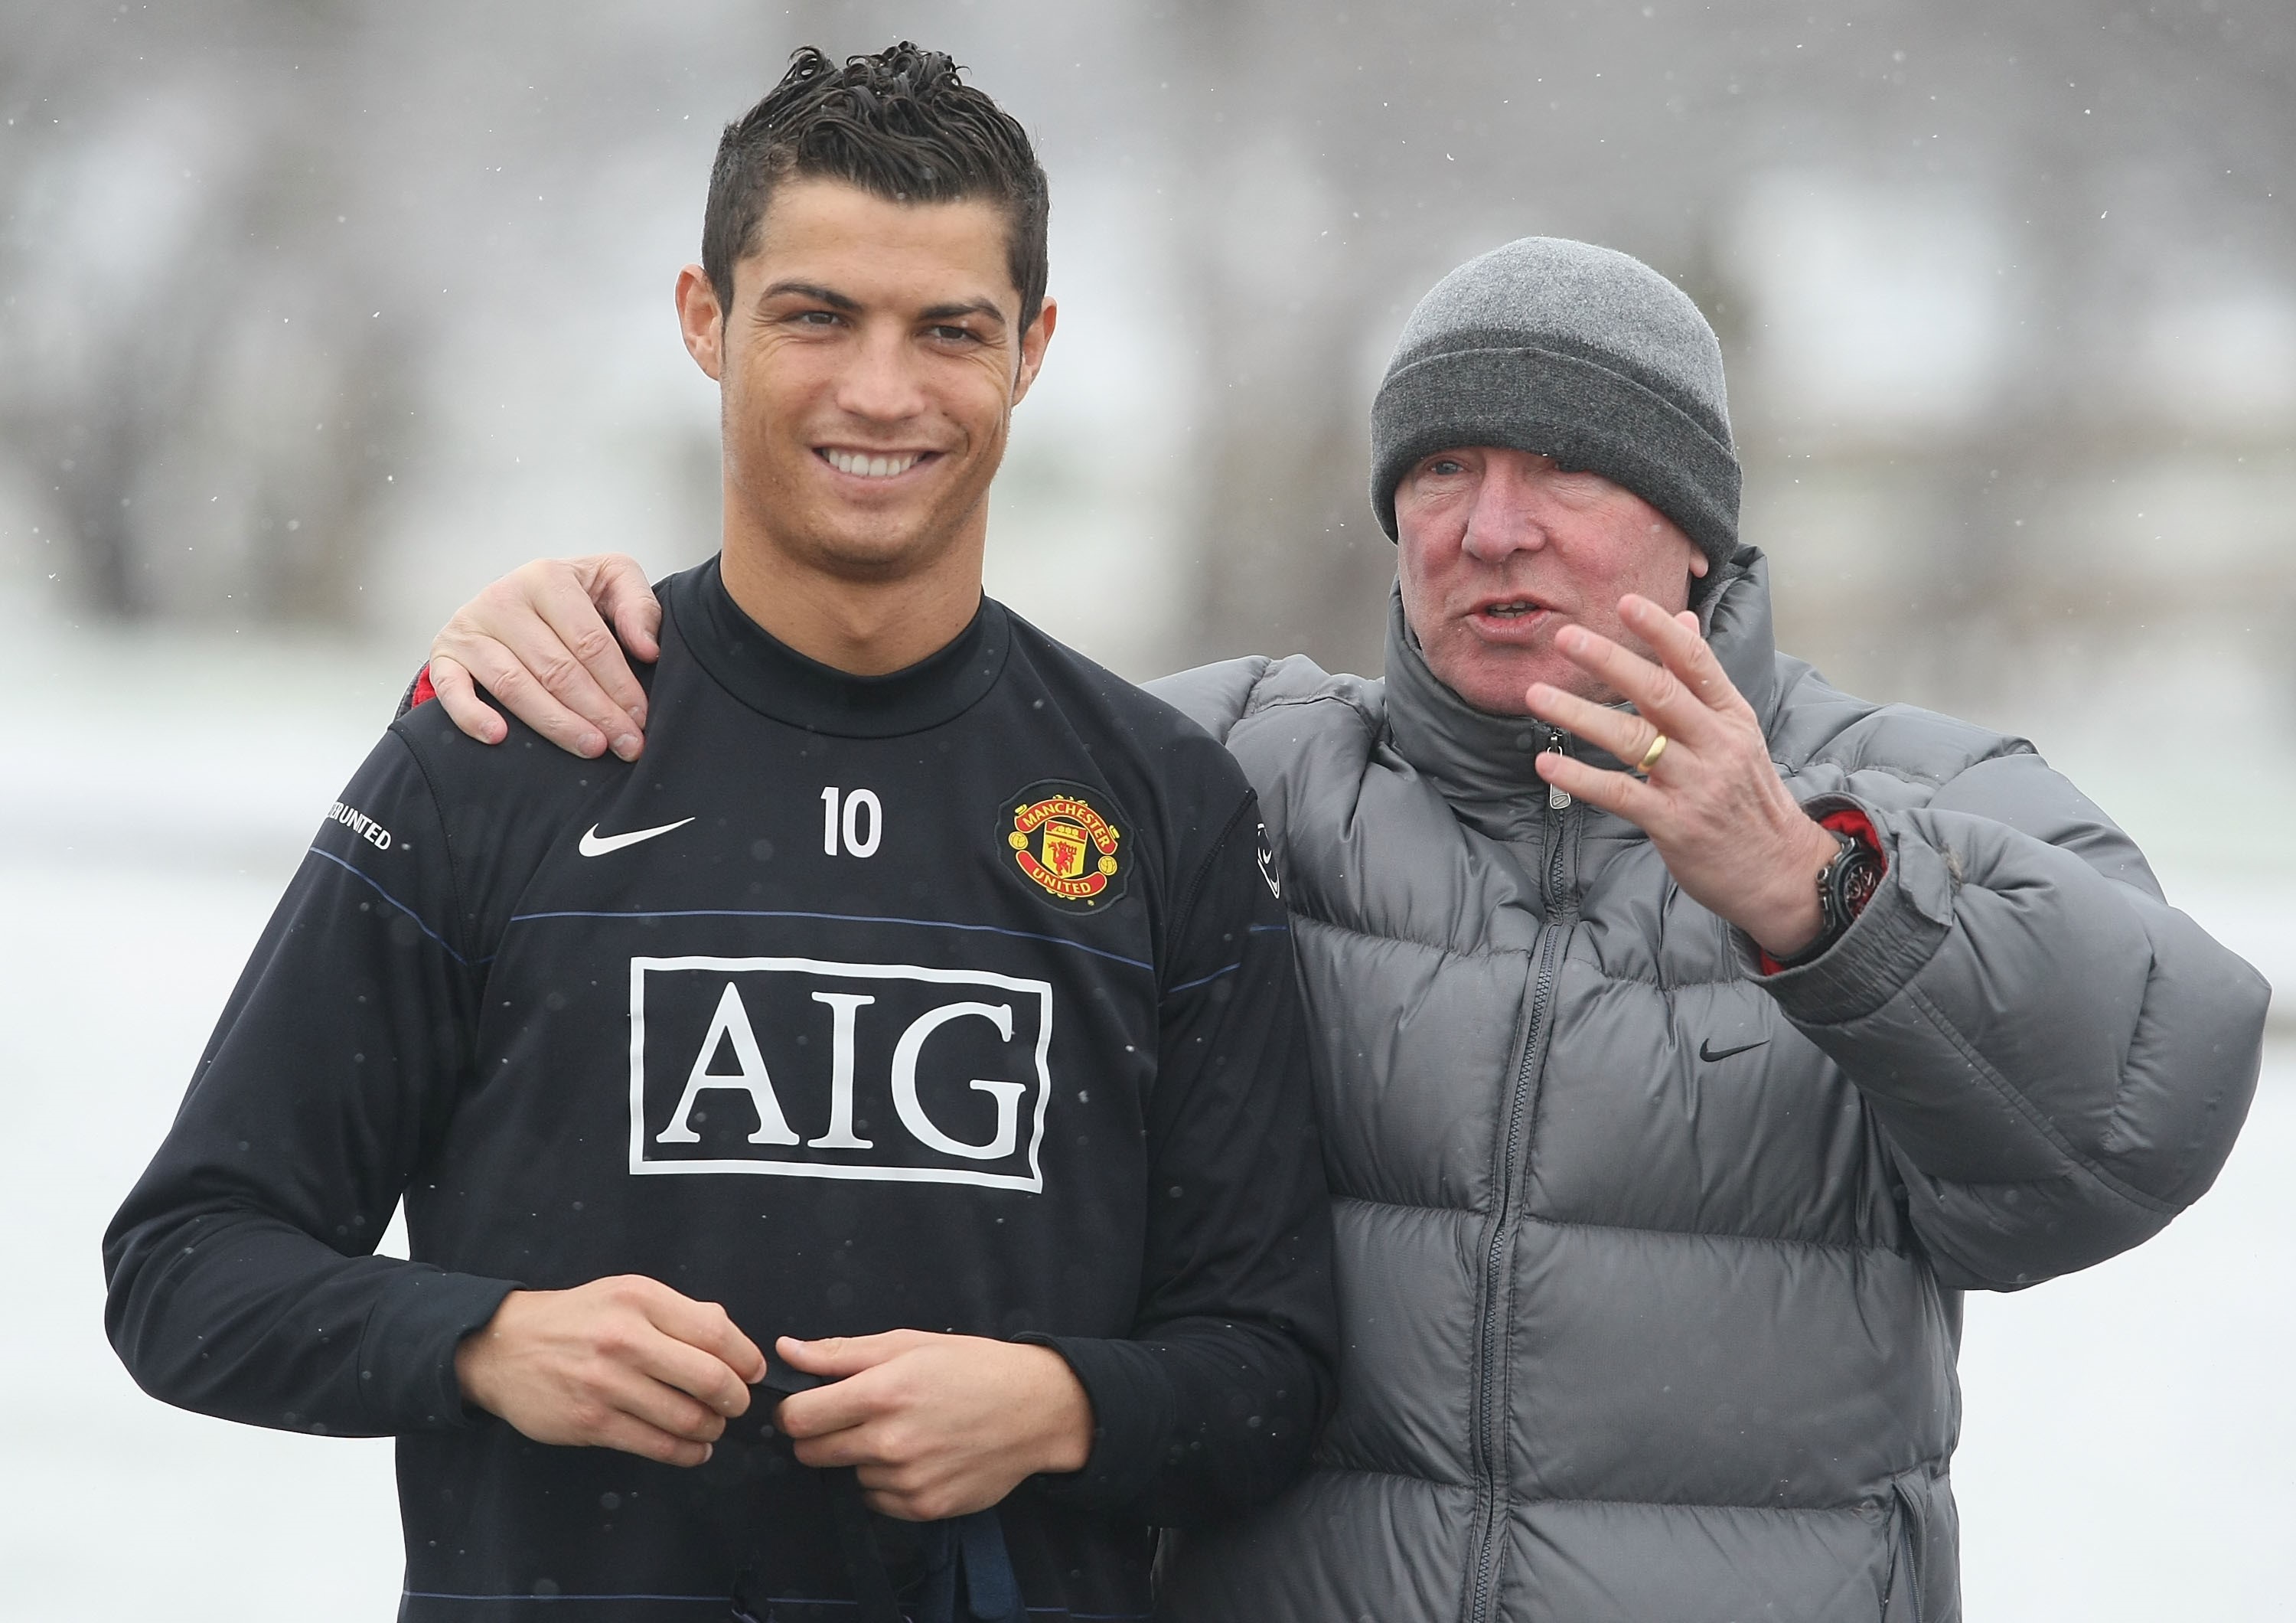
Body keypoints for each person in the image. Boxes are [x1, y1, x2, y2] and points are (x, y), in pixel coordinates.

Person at [404, 237, 2266, 1620]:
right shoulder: (1220, 771)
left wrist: (1813, 891)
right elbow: (846, 803)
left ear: (1698, 530)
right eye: (1441, 473)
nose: (1494, 528)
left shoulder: (1902, 796)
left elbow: (2137, 1108)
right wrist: (588, 635)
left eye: (1570, 472)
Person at [103, 45, 1336, 1623]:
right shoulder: (503, 749)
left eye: (948, 329)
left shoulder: (1157, 805)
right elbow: (187, 1270)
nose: (880, 391)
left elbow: (1275, 1369)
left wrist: (1063, 1407)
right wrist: (485, 1341)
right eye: (816, 315)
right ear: (707, 320)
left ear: (1031, 349)